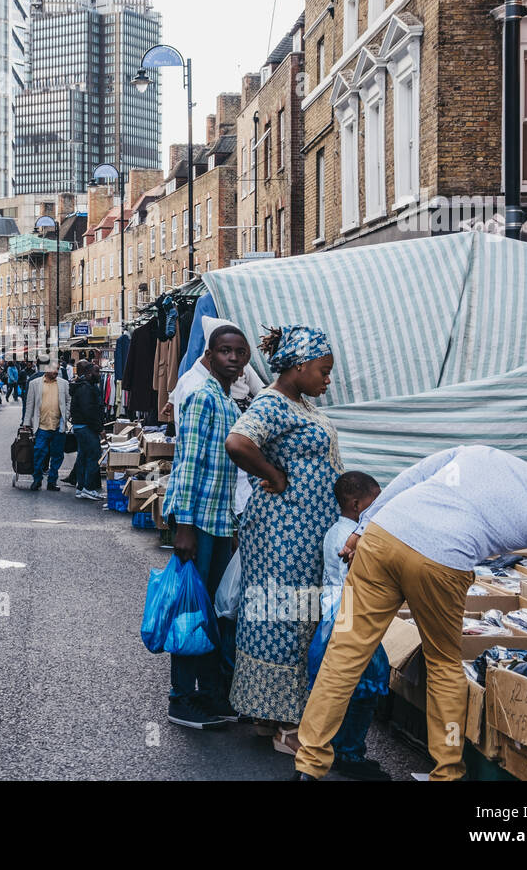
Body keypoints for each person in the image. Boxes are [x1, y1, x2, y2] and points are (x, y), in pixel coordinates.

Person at [295, 439, 527, 781]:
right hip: (440, 564)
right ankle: (446, 772)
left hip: (382, 538)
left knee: (344, 652)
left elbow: (413, 476)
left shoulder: (481, 454)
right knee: (444, 667)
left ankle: (308, 762)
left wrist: (363, 525)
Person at [224, 325, 342, 757]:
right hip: (283, 532)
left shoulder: (300, 403)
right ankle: (286, 725)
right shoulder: (273, 402)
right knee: (284, 619)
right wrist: (273, 476)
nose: (328, 378)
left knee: (284, 614)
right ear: (299, 365)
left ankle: (266, 713)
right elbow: (237, 442)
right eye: (324, 370)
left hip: (303, 531)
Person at [163, 324, 252, 729]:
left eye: (239, 352)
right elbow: (188, 464)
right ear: (209, 355)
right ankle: (181, 698)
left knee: (212, 613)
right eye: (225, 352)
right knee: (190, 613)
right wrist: (183, 526)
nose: (233, 358)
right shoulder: (202, 398)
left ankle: (209, 694)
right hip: (196, 524)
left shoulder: (227, 400)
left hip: (218, 524)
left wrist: (231, 527)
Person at [312, 471, 390, 781]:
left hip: (335, 614)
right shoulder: (356, 537)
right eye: (375, 501)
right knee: (362, 687)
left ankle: (343, 748)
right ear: (357, 503)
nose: (379, 507)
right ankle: (349, 752)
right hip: (350, 617)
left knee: (347, 686)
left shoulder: (336, 530)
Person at [21, 357, 70, 491]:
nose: (57, 372)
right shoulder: (35, 383)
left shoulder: (64, 383)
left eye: (58, 369)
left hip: (58, 426)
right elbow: (29, 404)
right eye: (54, 369)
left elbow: (67, 401)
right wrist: (26, 422)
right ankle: (37, 479)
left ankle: (52, 482)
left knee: (57, 455)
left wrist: (66, 415)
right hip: (41, 426)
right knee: (38, 454)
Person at [69, 360, 107, 501]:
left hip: (81, 427)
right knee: (94, 455)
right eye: (97, 372)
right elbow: (89, 411)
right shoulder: (86, 388)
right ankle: (88, 488)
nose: (99, 374)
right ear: (89, 373)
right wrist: (99, 428)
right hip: (86, 427)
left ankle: (81, 488)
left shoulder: (83, 386)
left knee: (83, 457)